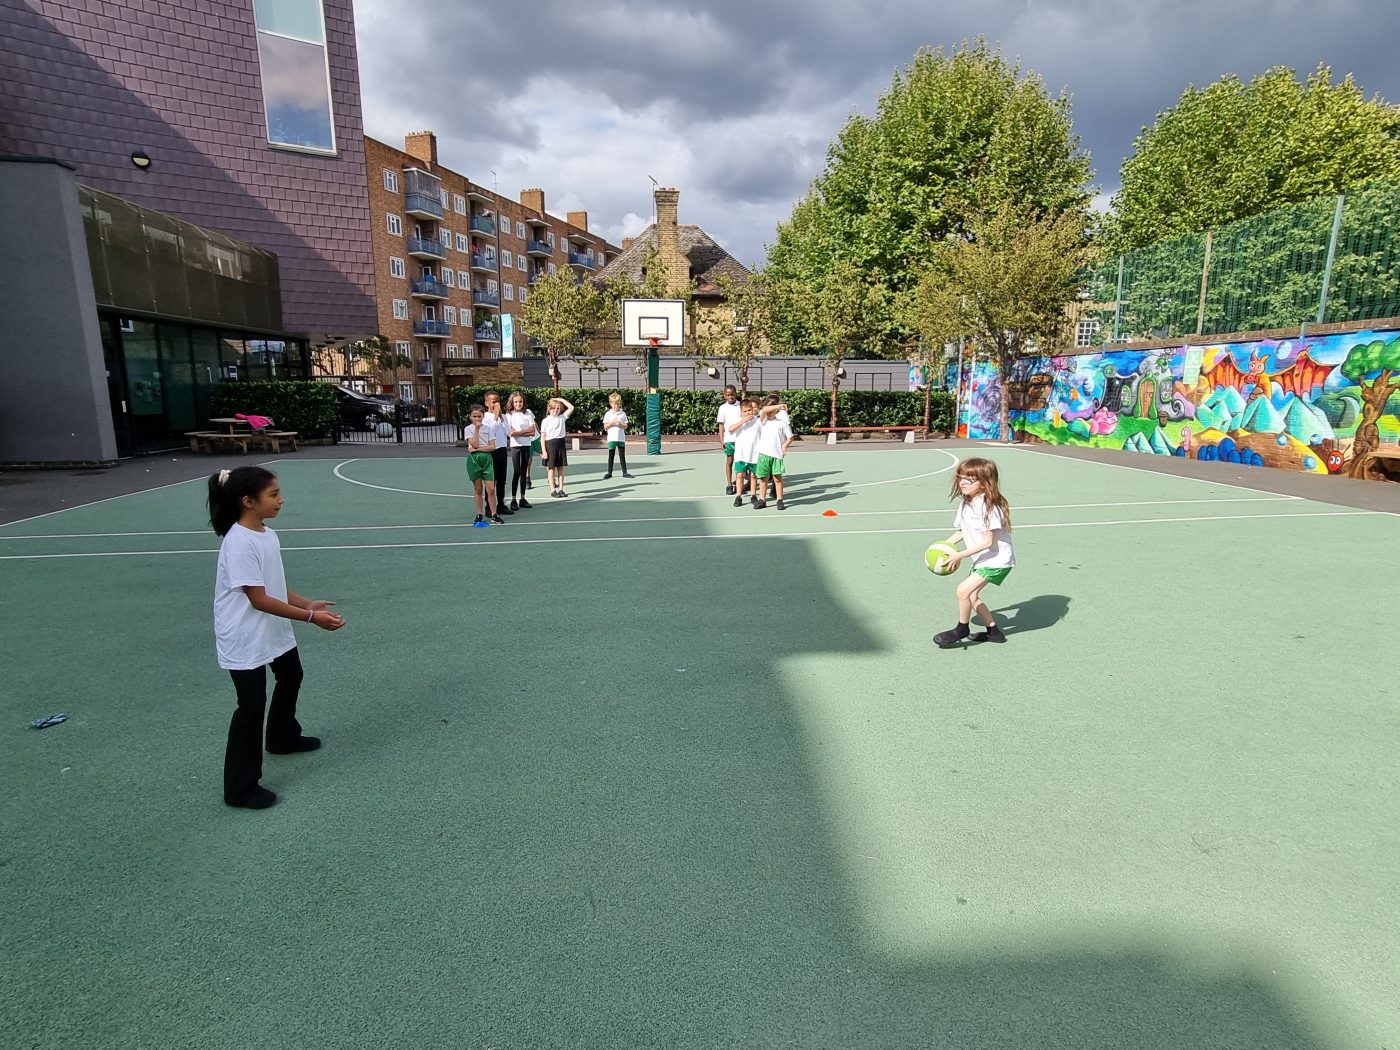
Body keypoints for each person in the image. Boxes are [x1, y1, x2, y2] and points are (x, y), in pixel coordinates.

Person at [207, 466, 345, 810]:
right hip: (244, 634)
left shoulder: (266, 534)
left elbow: (273, 585)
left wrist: (305, 602)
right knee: (250, 706)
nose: (281, 500)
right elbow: (258, 598)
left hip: (271, 626)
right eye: (273, 495)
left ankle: (283, 737)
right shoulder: (238, 542)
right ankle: (240, 789)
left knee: (290, 674)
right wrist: (311, 617)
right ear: (248, 502)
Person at [933, 457, 1015, 648]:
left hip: (997, 560)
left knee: (962, 590)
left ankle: (962, 628)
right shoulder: (966, 504)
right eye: (961, 477)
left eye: (970, 479)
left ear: (985, 484)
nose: (963, 482)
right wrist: (943, 546)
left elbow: (988, 541)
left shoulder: (989, 507)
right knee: (971, 596)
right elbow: (962, 531)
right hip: (982, 559)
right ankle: (994, 632)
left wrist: (959, 555)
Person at [463, 404, 505, 525]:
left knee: (491, 488)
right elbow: (474, 444)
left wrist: (478, 449)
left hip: (487, 459)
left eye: (479, 416)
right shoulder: (468, 429)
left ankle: (494, 514)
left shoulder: (488, 429)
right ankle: (479, 514)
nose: (477, 419)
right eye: (474, 416)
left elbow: (492, 446)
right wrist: (476, 429)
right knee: (478, 489)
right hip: (474, 461)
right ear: (470, 417)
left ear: (483, 416)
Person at [753, 398, 793, 510]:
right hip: (763, 455)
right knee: (763, 479)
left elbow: (790, 437)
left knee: (777, 478)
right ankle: (762, 499)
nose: (769, 413)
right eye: (769, 412)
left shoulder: (782, 423)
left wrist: (784, 446)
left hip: (776, 455)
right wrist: (779, 406)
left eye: (772, 412)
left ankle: (779, 499)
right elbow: (765, 409)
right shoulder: (762, 421)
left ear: (776, 412)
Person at [504, 391, 536, 511]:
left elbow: (532, 431)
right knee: (516, 472)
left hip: (526, 445)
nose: (518, 404)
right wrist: (524, 431)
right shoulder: (509, 415)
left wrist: (519, 432)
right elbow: (511, 433)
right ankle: (513, 499)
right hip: (515, 446)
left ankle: (522, 498)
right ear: (512, 402)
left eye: (520, 401)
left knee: (524, 472)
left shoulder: (528, 413)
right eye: (516, 402)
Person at [482, 391, 513, 515]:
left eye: (498, 401)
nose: (496, 404)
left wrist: (500, 417)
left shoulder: (503, 416)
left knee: (501, 479)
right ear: (487, 403)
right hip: (491, 451)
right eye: (494, 402)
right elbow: (490, 433)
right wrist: (495, 417)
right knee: (491, 480)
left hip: (501, 449)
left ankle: (501, 504)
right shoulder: (484, 418)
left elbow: (507, 432)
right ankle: (489, 506)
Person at [539, 395, 575, 497]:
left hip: (560, 444)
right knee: (551, 469)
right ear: (549, 409)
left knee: (561, 468)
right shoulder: (545, 421)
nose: (556, 410)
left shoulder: (562, 418)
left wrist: (560, 400)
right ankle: (552, 490)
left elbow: (571, 408)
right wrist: (544, 451)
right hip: (550, 445)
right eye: (554, 408)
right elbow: (543, 437)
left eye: (558, 408)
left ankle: (561, 489)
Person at [728, 399, 760, 507]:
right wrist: (743, 421)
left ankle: (753, 495)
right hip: (741, 454)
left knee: (753, 476)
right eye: (745, 411)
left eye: (749, 410)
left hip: (754, 454)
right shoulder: (739, 421)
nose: (748, 413)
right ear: (741, 411)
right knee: (740, 475)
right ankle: (738, 496)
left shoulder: (758, 421)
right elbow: (730, 429)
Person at [716, 385, 743, 494]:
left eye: (732, 394)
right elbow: (721, 425)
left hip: (741, 439)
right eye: (728, 395)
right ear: (724, 395)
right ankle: (729, 484)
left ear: (736, 393)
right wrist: (721, 440)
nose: (731, 396)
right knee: (729, 461)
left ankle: (739, 482)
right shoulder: (722, 408)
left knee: (740, 462)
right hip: (729, 439)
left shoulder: (741, 405)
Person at [602, 393, 635, 479]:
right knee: (611, 456)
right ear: (610, 404)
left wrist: (620, 424)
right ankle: (609, 472)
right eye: (614, 403)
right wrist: (612, 423)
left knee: (622, 456)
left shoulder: (623, 414)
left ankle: (625, 472)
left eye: (617, 403)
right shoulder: (608, 414)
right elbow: (605, 427)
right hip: (612, 438)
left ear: (620, 403)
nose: (616, 405)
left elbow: (626, 426)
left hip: (620, 438)